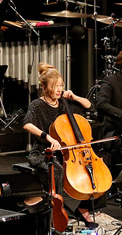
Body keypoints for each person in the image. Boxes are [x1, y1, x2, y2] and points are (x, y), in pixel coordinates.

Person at [22, 63, 94, 224]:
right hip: (42, 152)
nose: (59, 89)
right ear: (44, 87)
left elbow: (90, 106)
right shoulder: (37, 105)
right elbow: (27, 124)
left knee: (92, 170)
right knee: (57, 169)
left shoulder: (64, 103)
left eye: (61, 85)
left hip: (65, 152)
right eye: (55, 86)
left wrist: (74, 97)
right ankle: (56, 210)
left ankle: (83, 208)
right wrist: (48, 137)